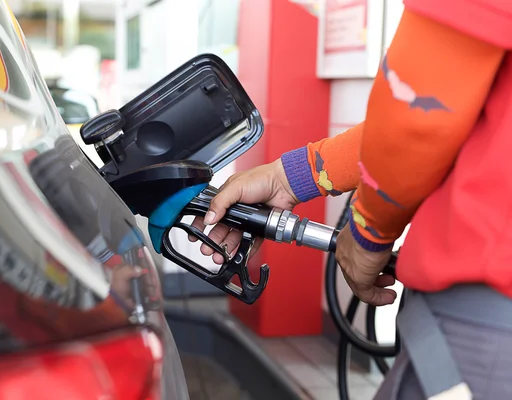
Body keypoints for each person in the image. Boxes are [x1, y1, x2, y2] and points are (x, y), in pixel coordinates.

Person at [192, 2, 512, 399]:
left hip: (488, 334)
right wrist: (292, 177)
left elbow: (420, 112)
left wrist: (367, 233)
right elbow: (451, 112)